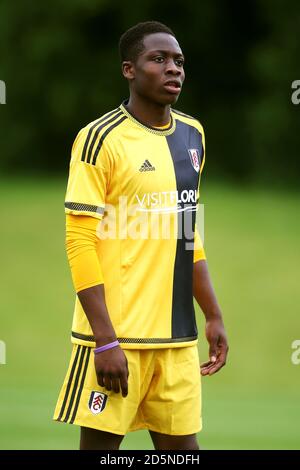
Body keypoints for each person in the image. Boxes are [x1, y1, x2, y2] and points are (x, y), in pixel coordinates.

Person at [53, 21, 228, 451]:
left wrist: (212, 314)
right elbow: (79, 241)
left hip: (177, 342)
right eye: (159, 59)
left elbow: (189, 233)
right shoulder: (99, 139)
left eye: (179, 62)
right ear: (129, 70)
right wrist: (104, 338)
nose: (174, 70)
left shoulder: (193, 135)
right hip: (117, 340)